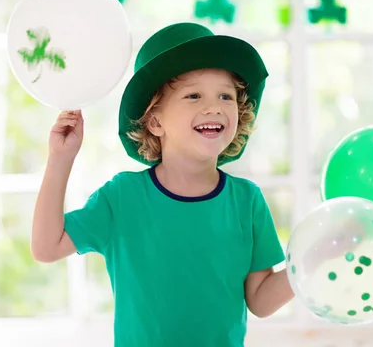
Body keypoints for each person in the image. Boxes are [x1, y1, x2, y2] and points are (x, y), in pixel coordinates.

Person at [30, 22, 294, 346]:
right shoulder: (121, 197)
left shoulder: (247, 201)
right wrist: (61, 158)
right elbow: (46, 247)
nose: (214, 107)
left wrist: (309, 267)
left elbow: (261, 300)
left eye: (226, 95)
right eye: (193, 95)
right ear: (155, 121)